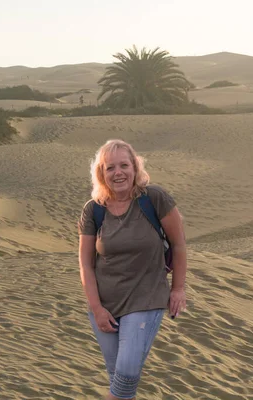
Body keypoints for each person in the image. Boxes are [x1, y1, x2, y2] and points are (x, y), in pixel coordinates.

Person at [77, 139, 187, 400]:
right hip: (106, 306)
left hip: (146, 298)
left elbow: (179, 244)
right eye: (110, 167)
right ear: (101, 174)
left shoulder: (154, 199)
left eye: (124, 165)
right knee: (119, 379)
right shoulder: (93, 210)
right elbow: (85, 264)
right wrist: (96, 309)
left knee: (126, 374)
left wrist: (178, 288)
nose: (118, 173)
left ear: (135, 167)